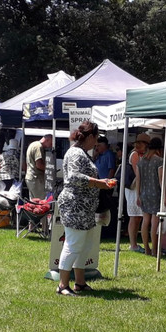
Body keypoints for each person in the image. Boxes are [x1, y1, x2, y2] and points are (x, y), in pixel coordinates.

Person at [55, 121, 117, 296]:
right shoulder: (76, 153)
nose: (96, 142)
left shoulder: (81, 153)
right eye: (96, 138)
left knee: (83, 245)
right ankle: (62, 285)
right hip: (75, 206)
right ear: (90, 136)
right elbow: (74, 177)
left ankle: (80, 283)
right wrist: (100, 183)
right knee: (73, 245)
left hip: (84, 208)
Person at [137, 137, 165, 255]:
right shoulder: (159, 161)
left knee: (145, 221)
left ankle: (146, 248)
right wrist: (165, 194)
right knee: (155, 223)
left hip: (143, 193)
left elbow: (138, 180)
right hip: (155, 193)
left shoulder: (141, 161)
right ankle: (155, 249)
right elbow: (161, 180)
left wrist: (138, 195)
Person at [125, 134, 149, 252]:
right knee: (134, 216)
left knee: (138, 216)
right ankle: (133, 244)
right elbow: (137, 172)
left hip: (138, 187)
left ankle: (134, 243)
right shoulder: (134, 154)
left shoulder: (141, 154)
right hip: (133, 187)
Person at [26, 134, 52, 201]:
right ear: (47, 140)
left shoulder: (33, 144)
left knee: (33, 201)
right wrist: (50, 170)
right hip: (36, 178)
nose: (51, 146)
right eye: (51, 143)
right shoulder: (38, 147)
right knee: (40, 201)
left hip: (30, 177)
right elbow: (39, 165)